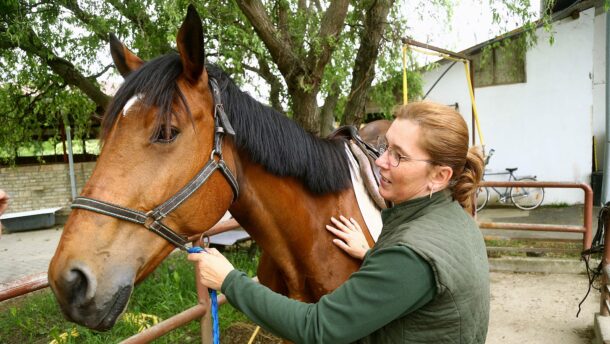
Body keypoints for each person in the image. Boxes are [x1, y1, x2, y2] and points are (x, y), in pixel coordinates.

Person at [188, 101, 489, 343]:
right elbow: (417, 284)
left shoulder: (411, 255)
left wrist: (230, 280)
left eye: (399, 156)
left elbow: (318, 327)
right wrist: (373, 257)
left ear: (439, 176)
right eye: (386, 147)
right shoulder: (453, 217)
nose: (381, 161)